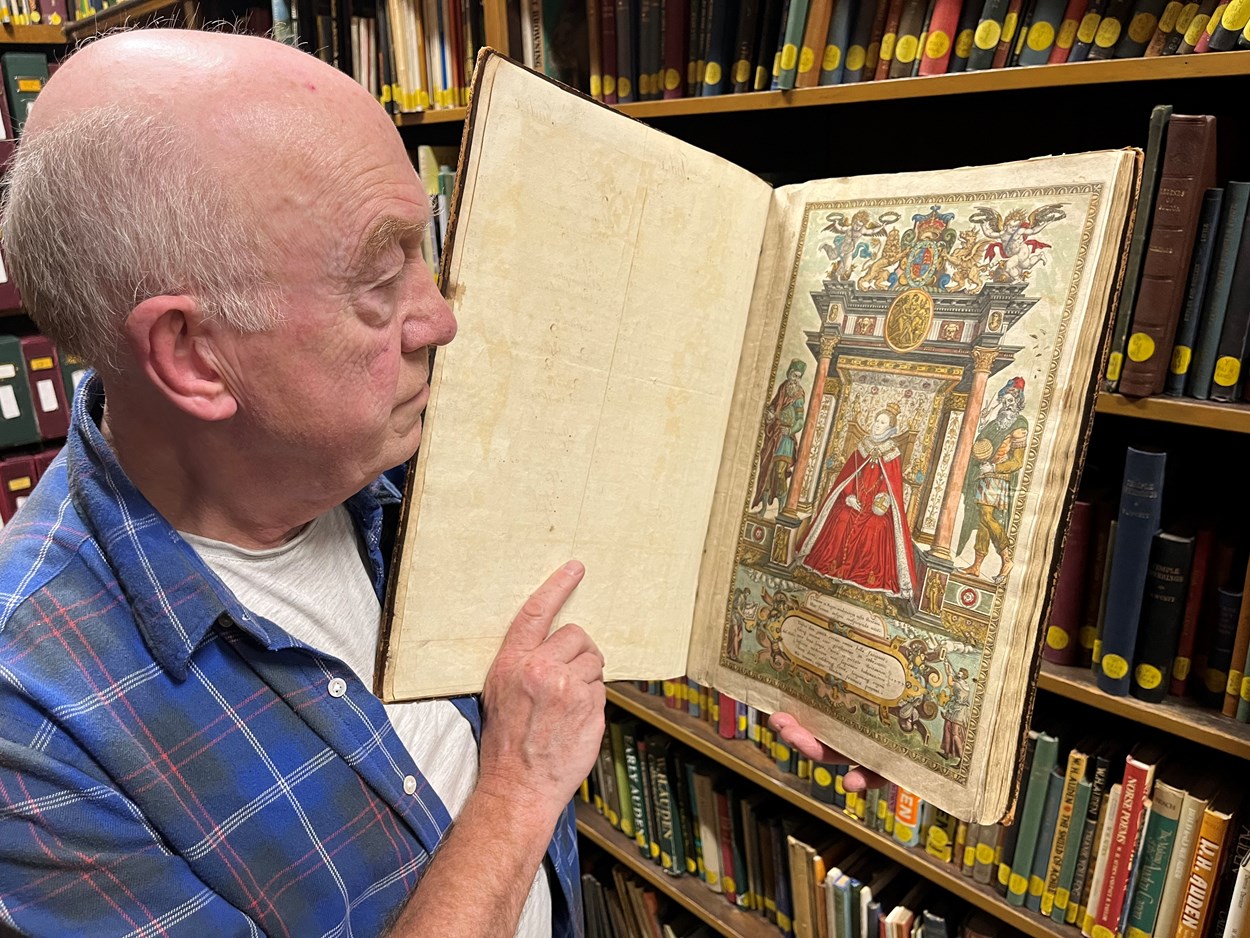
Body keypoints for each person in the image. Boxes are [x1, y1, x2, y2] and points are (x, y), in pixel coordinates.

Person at [0, 29, 871, 936]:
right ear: (193, 356)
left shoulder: (399, 439)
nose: (443, 319)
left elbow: (600, 560)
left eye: (429, 247)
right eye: (381, 279)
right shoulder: (33, 725)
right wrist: (520, 790)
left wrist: (769, 652)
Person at [796, 402, 919, 607]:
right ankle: (833, 569)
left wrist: (880, 503)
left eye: (883, 423)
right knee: (842, 518)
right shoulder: (862, 446)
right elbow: (849, 476)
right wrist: (849, 496)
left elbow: (891, 485)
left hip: (877, 506)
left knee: (875, 528)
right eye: (877, 421)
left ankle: (860, 579)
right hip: (854, 499)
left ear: (890, 429)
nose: (877, 426)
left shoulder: (892, 453)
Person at [958, 377, 1029, 582]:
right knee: (983, 519)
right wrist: (982, 421)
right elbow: (981, 446)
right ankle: (977, 565)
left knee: (988, 517)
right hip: (985, 476)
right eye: (1004, 401)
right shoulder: (995, 423)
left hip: (998, 478)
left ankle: (1006, 559)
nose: (1007, 405)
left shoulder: (1019, 426)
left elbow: (1017, 462)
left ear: (1018, 403)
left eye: (1011, 401)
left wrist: (995, 466)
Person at [751, 358, 807, 513]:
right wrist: (769, 415)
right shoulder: (783, 388)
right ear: (789, 374)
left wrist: (790, 430)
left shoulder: (799, 395)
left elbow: (800, 420)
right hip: (775, 434)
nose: (795, 379)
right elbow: (774, 407)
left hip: (786, 438)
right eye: (793, 375)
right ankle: (763, 507)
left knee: (780, 471)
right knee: (767, 470)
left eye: (798, 376)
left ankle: (782, 507)